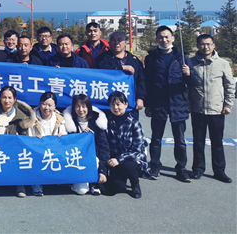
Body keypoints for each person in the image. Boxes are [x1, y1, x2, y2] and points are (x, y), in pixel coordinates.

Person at [143, 26, 192, 182]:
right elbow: (147, 82)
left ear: (173, 38)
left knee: (180, 140)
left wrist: (188, 74)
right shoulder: (151, 58)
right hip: (158, 103)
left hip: (178, 103)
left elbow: (192, 82)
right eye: (160, 37)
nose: (164, 40)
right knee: (156, 138)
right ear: (156, 39)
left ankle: (181, 169)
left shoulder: (182, 58)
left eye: (167, 37)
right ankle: (155, 166)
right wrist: (148, 104)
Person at [187, 34, 235, 183]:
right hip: (198, 109)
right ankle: (198, 169)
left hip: (216, 109)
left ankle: (219, 170)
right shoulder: (191, 63)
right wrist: (188, 103)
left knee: (217, 142)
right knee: (198, 141)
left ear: (213, 45)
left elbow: (229, 85)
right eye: (202, 44)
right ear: (198, 46)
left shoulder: (222, 63)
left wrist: (228, 104)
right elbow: (186, 85)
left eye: (208, 44)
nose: (205, 47)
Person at [0, 86, 35, 197]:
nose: (6, 100)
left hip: (13, 149)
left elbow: (26, 138)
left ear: (15, 99)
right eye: (4, 97)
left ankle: (19, 184)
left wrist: (19, 138)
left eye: (10, 98)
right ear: (0, 98)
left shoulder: (22, 117)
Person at [63, 94, 110, 196]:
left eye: (84, 107)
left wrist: (102, 171)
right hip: (75, 160)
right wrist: (82, 137)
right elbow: (67, 145)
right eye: (77, 106)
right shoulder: (68, 121)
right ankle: (72, 182)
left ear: (89, 107)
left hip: (93, 161)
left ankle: (94, 183)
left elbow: (104, 148)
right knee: (82, 190)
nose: (81, 110)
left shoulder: (97, 121)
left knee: (95, 159)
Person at [105, 91, 148, 198]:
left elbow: (137, 150)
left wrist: (119, 159)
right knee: (116, 187)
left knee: (128, 165)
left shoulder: (134, 123)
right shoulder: (107, 122)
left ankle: (135, 184)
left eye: (118, 104)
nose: (115, 107)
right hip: (115, 161)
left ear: (126, 104)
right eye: (112, 104)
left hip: (133, 160)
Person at [96, 32, 146, 115]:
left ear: (125, 43)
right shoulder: (102, 58)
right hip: (108, 105)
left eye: (119, 40)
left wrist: (140, 98)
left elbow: (141, 80)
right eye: (113, 40)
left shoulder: (134, 60)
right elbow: (102, 70)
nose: (116, 43)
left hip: (129, 104)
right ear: (109, 43)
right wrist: (123, 68)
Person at [29, 92, 66, 196]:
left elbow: (65, 139)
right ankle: (36, 183)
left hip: (54, 151)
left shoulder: (60, 119)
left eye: (50, 105)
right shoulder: (31, 118)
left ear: (55, 106)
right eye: (44, 104)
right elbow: (28, 137)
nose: (46, 108)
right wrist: (34, 139)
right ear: (40, 104)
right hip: (37, 150)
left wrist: (61, 137)